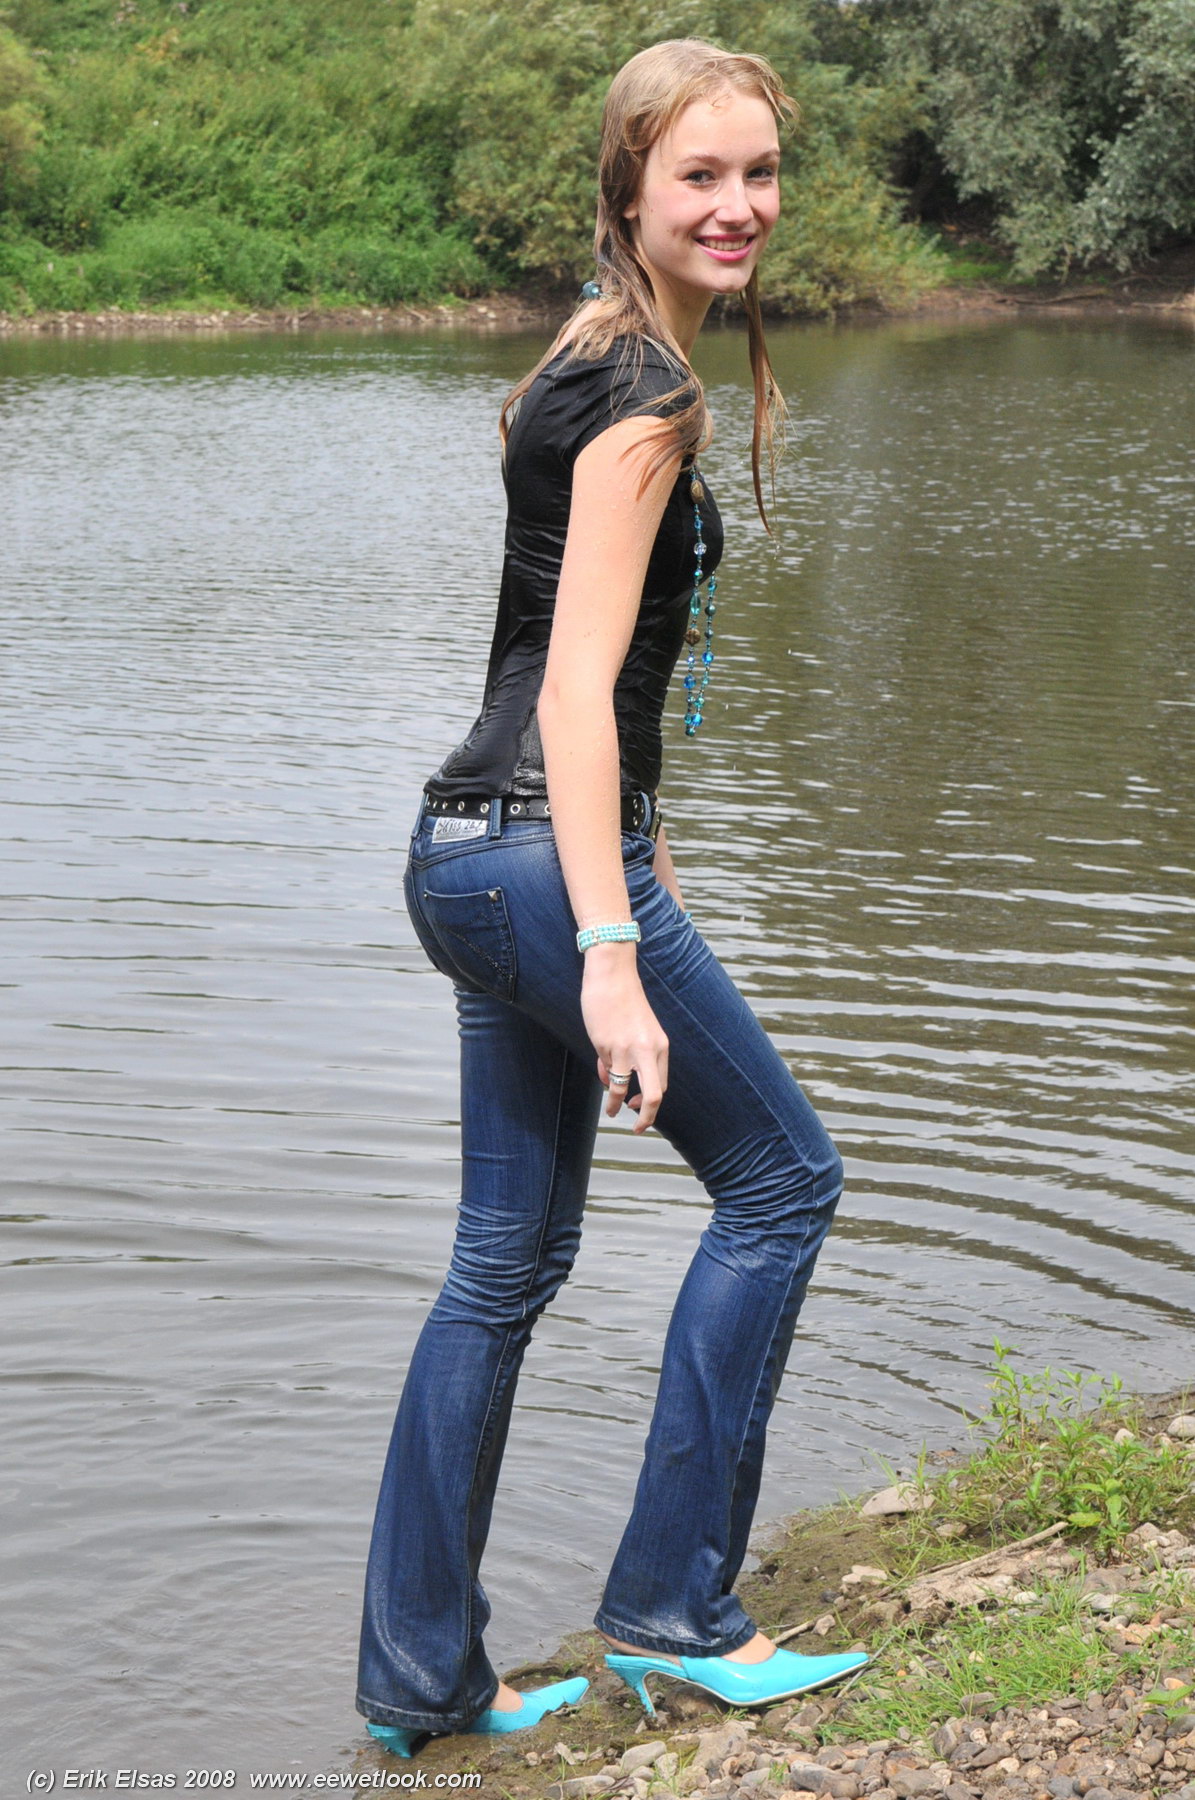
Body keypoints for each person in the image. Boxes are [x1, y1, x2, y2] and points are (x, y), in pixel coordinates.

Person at [357, 37, 868, 1758]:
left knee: (501, 1264)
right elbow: (575, 686)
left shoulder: (588, 353)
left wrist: (627, 864)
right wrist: (609, 944)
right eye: (700, 176)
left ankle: (420, 1682)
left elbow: (557, 665)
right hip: (538, 863)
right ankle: (675, 1608)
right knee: (785, 1184)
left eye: (759, 172)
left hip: (464, 847)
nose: (739, 206)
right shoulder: (646, 394)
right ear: (629, 188)